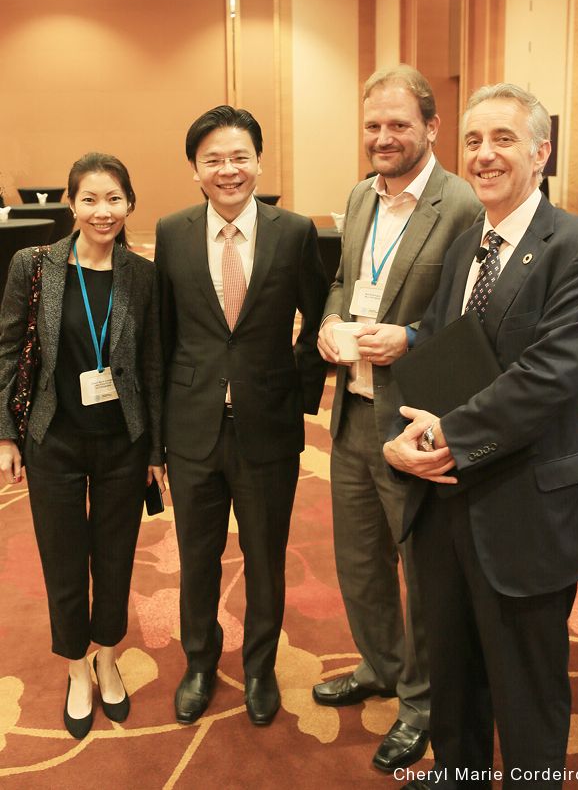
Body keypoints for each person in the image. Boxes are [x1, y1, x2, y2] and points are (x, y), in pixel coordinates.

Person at [383, 83, 578, 790]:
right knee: (456, 685)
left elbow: (550, 375)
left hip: (527, 508)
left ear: (542, 151)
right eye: (473, 140)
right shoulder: (462, 243)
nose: (484, 154)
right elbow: (440, 355)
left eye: (503, 139)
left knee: (528, 696)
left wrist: (449, 431)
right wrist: (402, 436)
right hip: (446, 504)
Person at [313, 65, 482, 772]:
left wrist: (410, 338)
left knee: (423, 568)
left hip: (413, 416)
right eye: (374, 125)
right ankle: (381, 666)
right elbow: (346, 281)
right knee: (359, 562)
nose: (383, 137)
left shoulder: (463, 204)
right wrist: (328, 321)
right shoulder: (359, 196)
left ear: (432, 128)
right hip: (351, 412)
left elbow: (480, 319)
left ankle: (420, 701)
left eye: (399, 125)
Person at [155, 105, 328, 727]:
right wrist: (160, 435)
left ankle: (259, 669)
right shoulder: (172, 231)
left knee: (265, 554)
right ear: (194, 169)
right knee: (197, 556)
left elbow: (316, 321)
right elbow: (163, 336)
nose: (228, 170)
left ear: (258, 160)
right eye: (213, 160)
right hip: (193, 423)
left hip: (268, 424)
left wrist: (299, 397)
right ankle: (200, 663)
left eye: (239, 157)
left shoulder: (294, 230)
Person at [0, 152, 164, 739]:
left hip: (123, 442)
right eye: (90, 199)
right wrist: (4, 434)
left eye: (115, 198)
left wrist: (155, 451)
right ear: (71, 203)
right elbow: (7, 348)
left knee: (116, 555)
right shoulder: (34, 265)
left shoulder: (141, 275)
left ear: (130, 204)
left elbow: (152, 363)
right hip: (54, 440)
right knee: (64, 558)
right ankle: (76, 667)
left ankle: (107, 655)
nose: (103, 211)